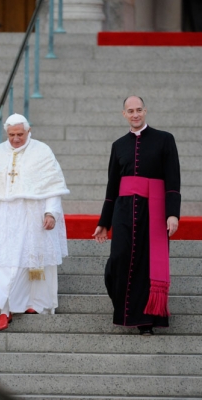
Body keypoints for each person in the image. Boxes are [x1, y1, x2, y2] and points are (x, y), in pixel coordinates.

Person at [93, 96, 181, 336]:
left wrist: (173, 214)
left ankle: (145, 322)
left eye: (139, 110)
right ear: (124, 114)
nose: (135, 114)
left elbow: (173, 181)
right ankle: (124, 310)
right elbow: (112, 187)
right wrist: (104, 222)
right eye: (130, 111)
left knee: (147, 265)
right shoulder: (118, 145)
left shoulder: (165, 139)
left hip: (154, 211)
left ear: (145, 111)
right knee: (118, 260)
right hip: (123, 210)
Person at [0, 113, 69, 331]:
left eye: (20, 134)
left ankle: (35, 303)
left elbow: (53, 186)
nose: (16, 139)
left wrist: (51, 213)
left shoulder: (42, 151)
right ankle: (5, 308)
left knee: (34, 261)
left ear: (28, 131)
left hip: (33, 214)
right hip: (6, 216)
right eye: (11, 135)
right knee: (5, 262)